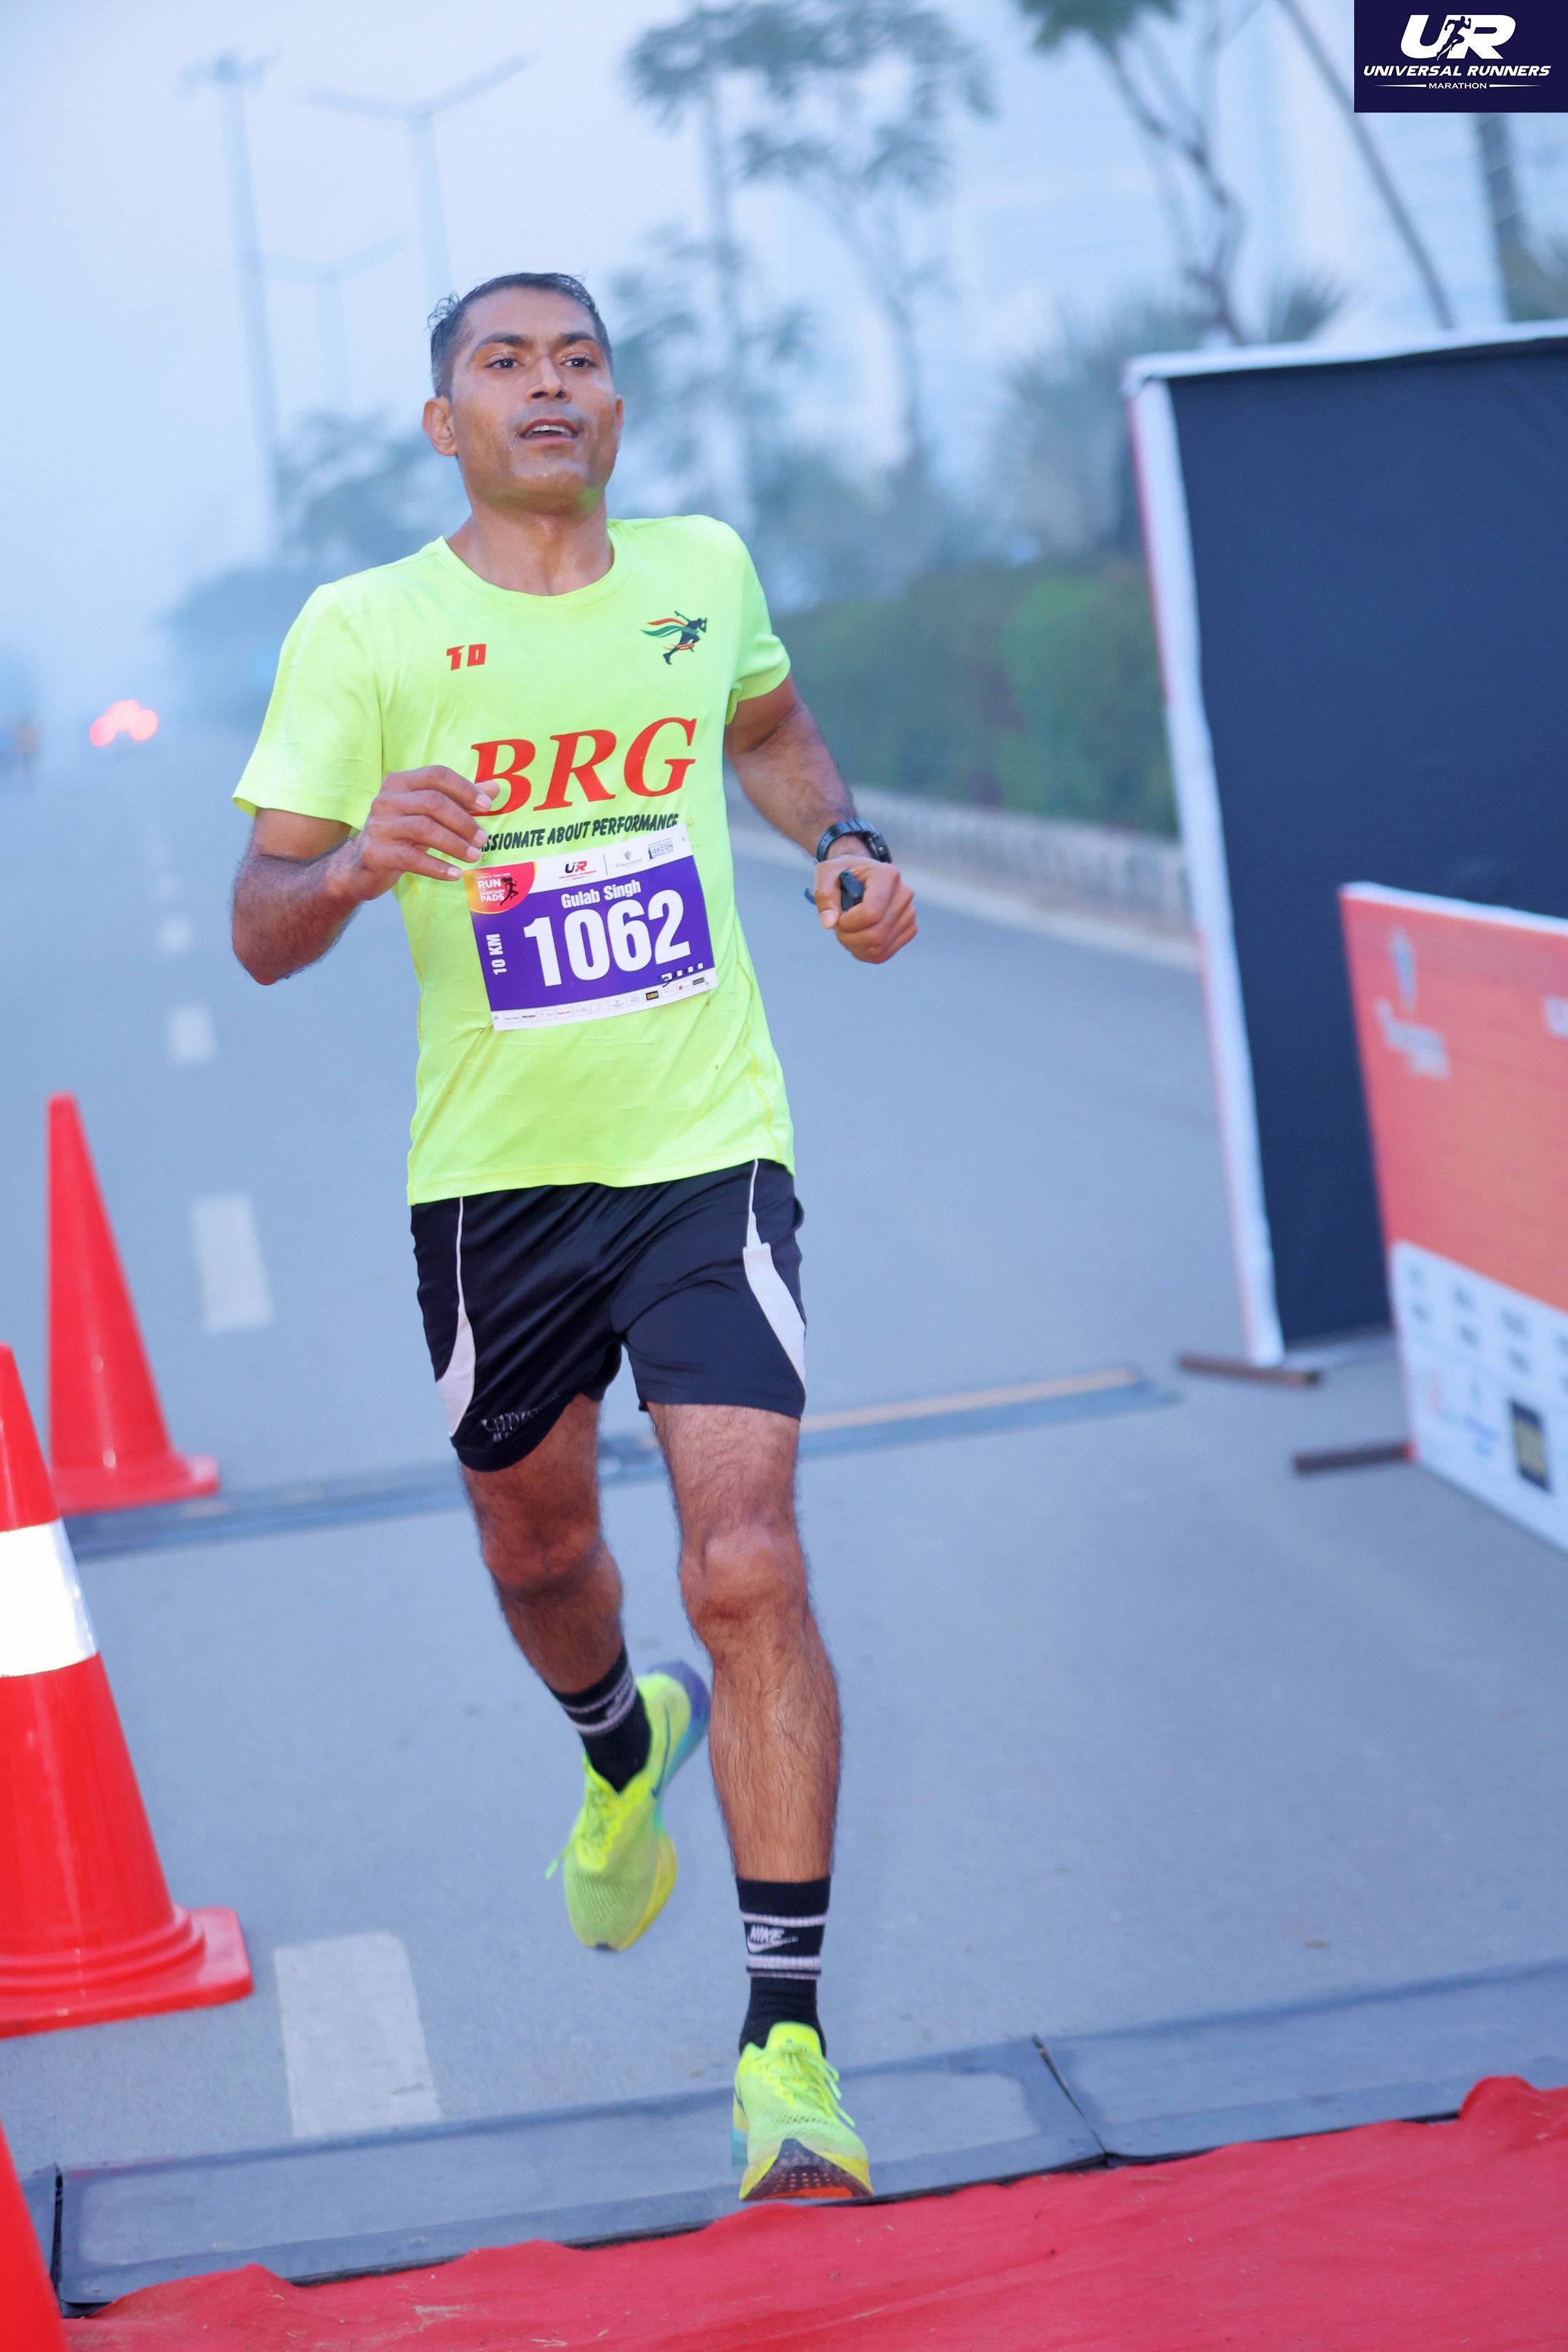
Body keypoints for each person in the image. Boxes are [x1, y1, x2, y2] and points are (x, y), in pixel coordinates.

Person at [230, 271, 917, 2204]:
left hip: (709, 1150)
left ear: (616, 408)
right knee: (542, 1555)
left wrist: (844, 848)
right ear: (445, 422)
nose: (550, 387)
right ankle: (623, 1748)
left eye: (581, 361)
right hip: (496, 1189)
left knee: (748, 1557)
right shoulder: (365, 628)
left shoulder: (700, 571)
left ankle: (785, 2046)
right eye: (505, 363)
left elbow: (772, 728)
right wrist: (355, 865)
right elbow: (260, 921)